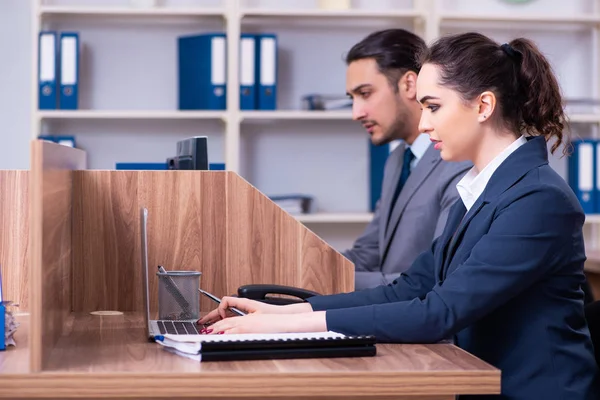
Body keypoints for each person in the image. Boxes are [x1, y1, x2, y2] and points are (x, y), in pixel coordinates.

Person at [200, 32, 600, 399]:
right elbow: (409, 289)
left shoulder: (538, 198)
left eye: (434, 107)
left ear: (483, 105)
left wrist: (281, 328)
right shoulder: (480, 189)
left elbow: (439, 312)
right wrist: (285, 312)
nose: (424, 124)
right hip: (480, 383)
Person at [341, 29, 470, 290]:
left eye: (365, 93)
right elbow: (369, 252)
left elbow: (436, 278)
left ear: (409, 85)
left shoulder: (459, 160)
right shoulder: (398, 159)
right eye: (352, 99)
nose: (356, 112)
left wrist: (324, 280)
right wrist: (297, 271)